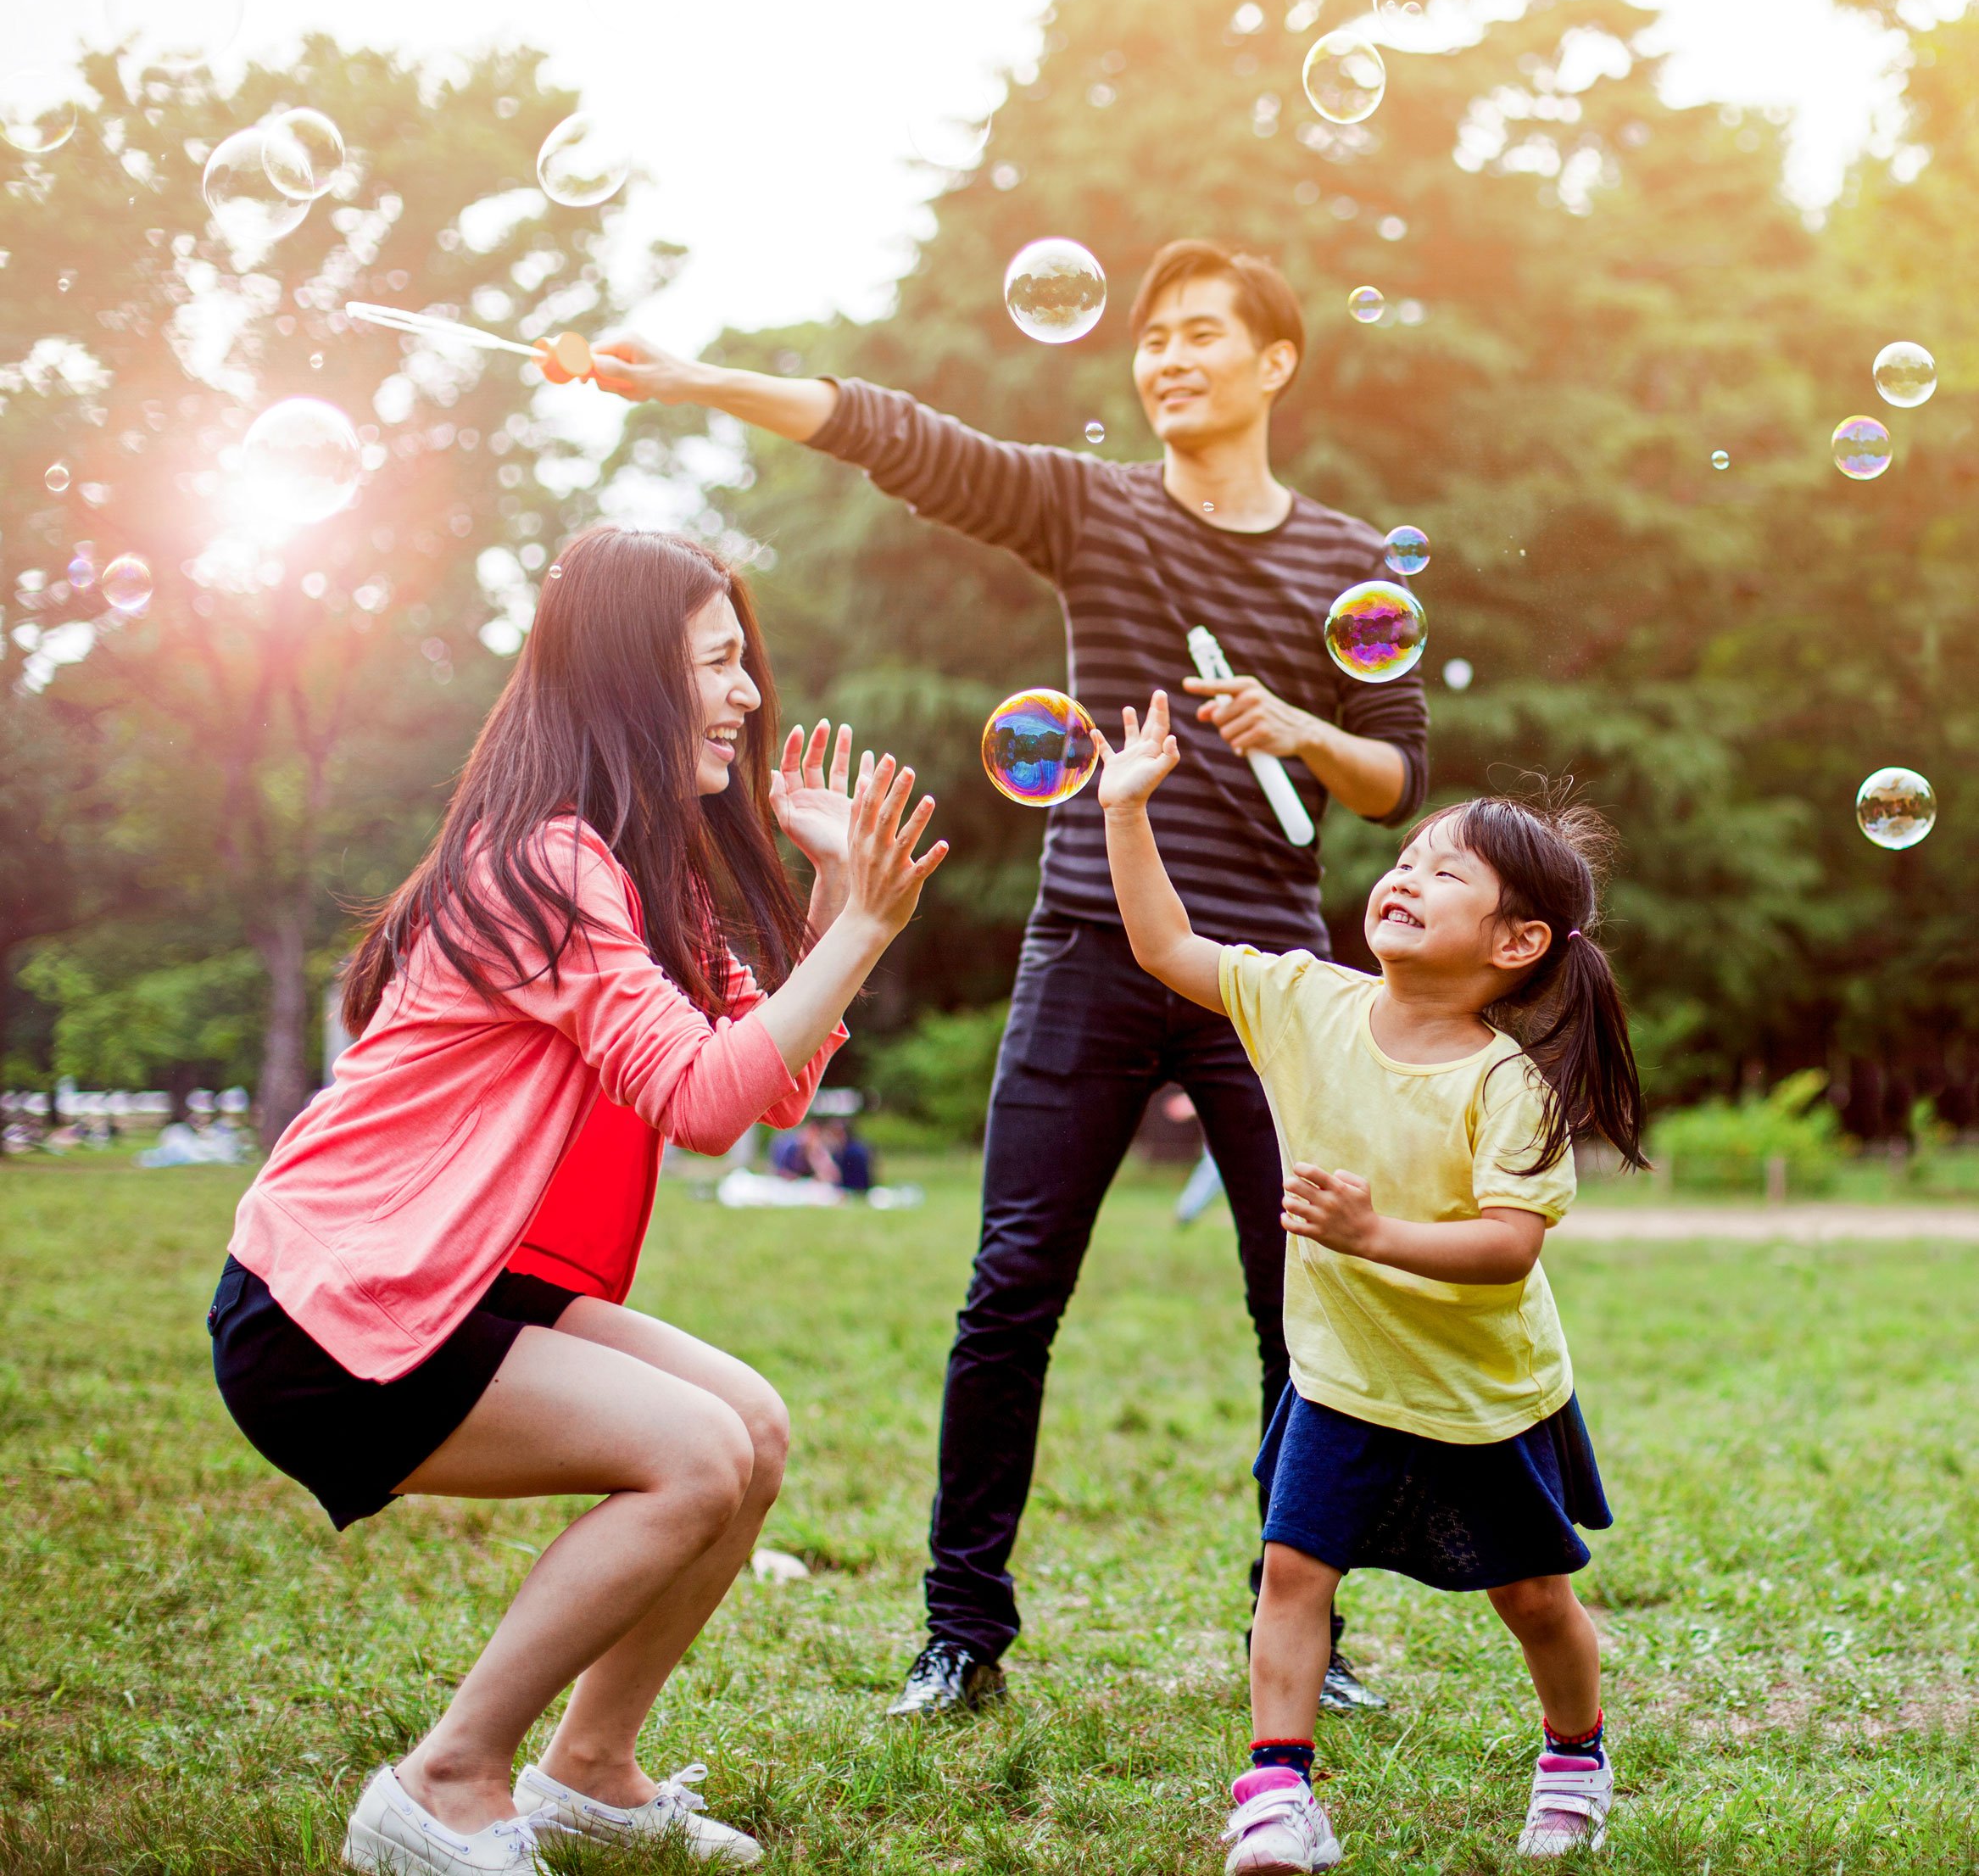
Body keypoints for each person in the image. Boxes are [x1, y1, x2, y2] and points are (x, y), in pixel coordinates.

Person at [591, 240, 1427, 1717]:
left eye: (1197, 337)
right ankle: (960, 1633)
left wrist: (1298, 725)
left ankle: (1302, 1626)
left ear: (1273, 364)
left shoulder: (1345, 558)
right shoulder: (1092, 509)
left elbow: (1393, 775)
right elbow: (897, 436)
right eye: (1149, 338)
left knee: (1296, 1301)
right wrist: (693, 381)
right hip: (1091, 941)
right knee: (1009, 1293)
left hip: (1266, 976)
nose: (1162, 358)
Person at [206, 528, 948, 1876]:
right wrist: (861, 930)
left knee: (750, 1431)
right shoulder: (551, 864)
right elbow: (705, 1103)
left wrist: (837, 892)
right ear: (628, 677)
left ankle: (592, 1769)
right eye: (716, 665)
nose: (745, 697)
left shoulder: (634, 868)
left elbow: (764, 1088)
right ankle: (443, 1779)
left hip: (457, 1282)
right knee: (692, 1456)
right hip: (336, 1308)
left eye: (742, 664)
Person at [1094, 693, 1647, 1868]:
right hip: (1343, 1377)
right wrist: (1126, 812)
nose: (1403, 875)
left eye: (1443, 873)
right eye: (1403, 858)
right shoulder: (1307, 1002)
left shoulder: (1509, 1085)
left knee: (1533, 1600)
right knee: (1292, 1571)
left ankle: (1573, 1751)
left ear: (1515, 944)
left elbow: (1508, 1247)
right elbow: (1163, 947)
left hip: (1479, 1389)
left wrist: (1370, 1231)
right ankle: (1278, 1791)